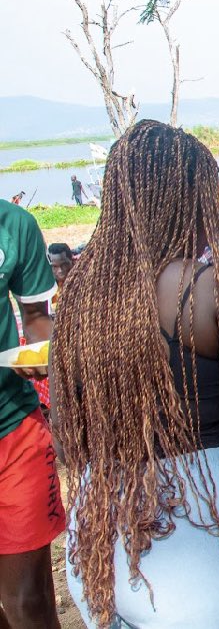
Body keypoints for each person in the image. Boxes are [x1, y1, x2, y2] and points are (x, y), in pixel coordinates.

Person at [51, 120, 219, 628]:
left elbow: (67, 445)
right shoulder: (218, 292)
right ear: (194, 199)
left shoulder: (79, 299)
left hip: (101, 551)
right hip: (205, 558)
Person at [0, 200, 62, 628]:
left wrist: (52, 352)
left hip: (14, 428)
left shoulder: (13, 225)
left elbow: (37, 319)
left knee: (28, 600)